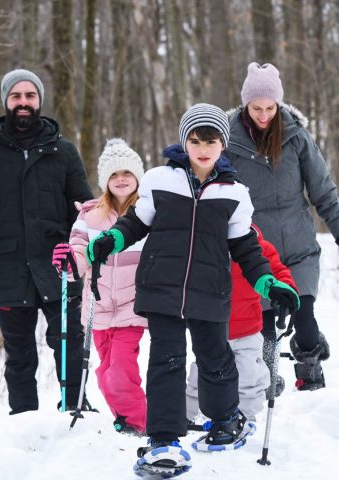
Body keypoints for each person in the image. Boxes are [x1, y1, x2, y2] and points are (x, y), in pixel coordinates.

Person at [87, 104, 301, 475]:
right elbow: (136, 222)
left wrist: (270, 283)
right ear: (185, 142)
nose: (203, 147)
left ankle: (224, 421)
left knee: (214, 359)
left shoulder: (235, 194)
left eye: (212, 140)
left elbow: (247, 249)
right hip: (162, 288)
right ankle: (164, 439)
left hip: (209, 290)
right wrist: (111, 240)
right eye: (195, 139)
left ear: (223, 144)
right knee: (166, 361)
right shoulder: (159, 180)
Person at [0, 68, 94, 415]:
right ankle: (24, 422)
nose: (23, 103)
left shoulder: (64, 152)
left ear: (39, 101)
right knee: (19, 355)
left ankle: (75, 409)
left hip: (58, 267)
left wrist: (82, 250)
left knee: (69, 344)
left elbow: (85, 211)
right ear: (6, 102)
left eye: (30, 96)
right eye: (16, 97)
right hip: (7, 269)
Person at [225, 62, 339, 392]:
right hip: (255, 256)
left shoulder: (296, 138)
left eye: (270, 107)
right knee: (263, 334)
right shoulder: (228, 142)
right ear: (245, 105)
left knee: (304, 321)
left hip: (298, 251)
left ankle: (309, 373)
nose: (264, 115)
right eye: (256, 108)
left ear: (279, 104)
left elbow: (324, 193)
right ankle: (266, 378)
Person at [51, 139, 148, 435]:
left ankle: (144, 423)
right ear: (105, 180)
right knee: (106, 373)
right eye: (114, 174)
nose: (121, 179)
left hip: (133, 307)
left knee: (119, 372)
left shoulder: (146, 213)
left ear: (138, 177)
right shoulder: (89, 215)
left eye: (127, 173)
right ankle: (125, 419)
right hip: (98, 307)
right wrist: (69, 261)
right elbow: (78, 249)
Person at [185, 225, 297, 426]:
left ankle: (246, 418)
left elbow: (278, 271)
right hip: (210, 327)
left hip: (247, 329)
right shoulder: (202, 243)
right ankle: (190, 415)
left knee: (248, 376)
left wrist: (286, 290)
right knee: (201, 373)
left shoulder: (256, 244)